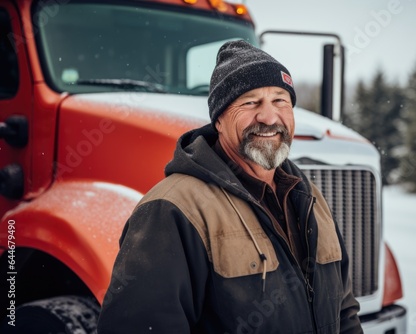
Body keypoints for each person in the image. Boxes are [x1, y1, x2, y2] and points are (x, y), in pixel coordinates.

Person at [97, 40, 362, 334]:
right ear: (219, 120)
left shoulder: (309, 197)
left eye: (280, 101)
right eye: (250, 102)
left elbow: (344, 311)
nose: (269, 117)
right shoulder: (173, 210)